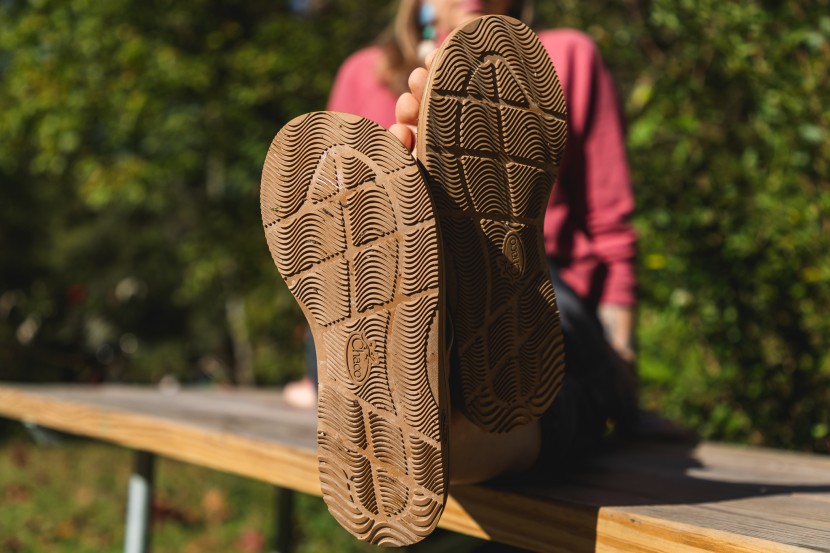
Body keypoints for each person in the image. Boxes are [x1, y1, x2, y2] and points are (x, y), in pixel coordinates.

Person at [283, 0, 639, 480]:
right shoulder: (361, 73)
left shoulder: (564, 55)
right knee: (369, 300)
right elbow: (325, 248)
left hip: (535, 285)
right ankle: (437, 379)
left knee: (546, 354)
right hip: (375, 301)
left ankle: (431, 403)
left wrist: (622, 353)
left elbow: (609, 226)